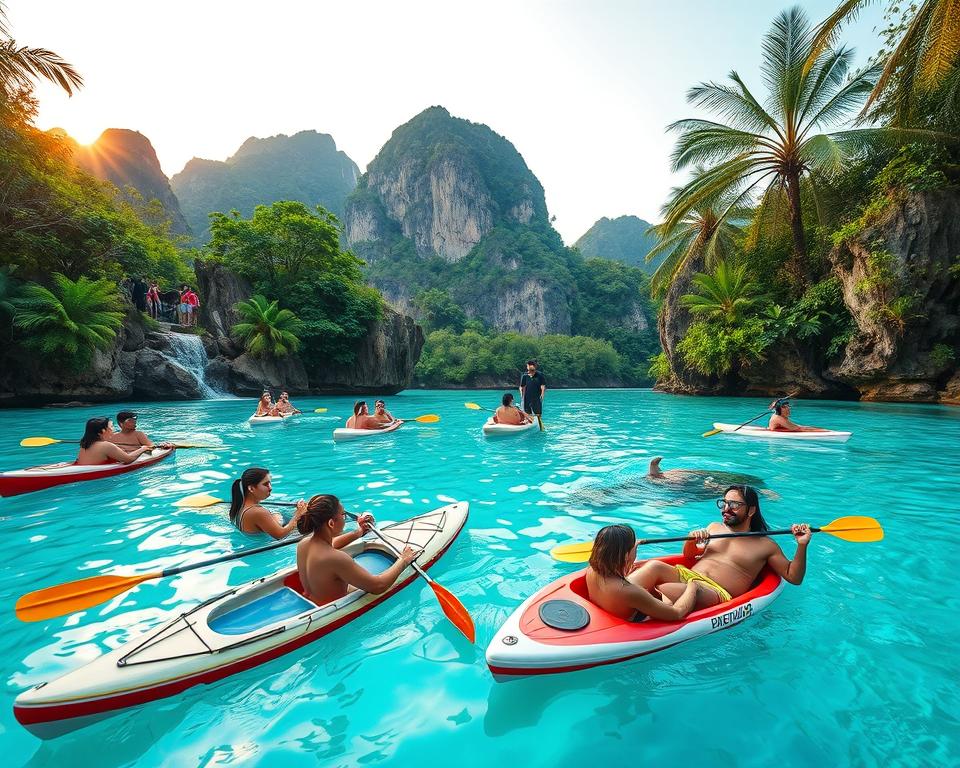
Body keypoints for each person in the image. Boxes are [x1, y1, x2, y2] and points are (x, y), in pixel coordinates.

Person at [630, 485, 811, 610]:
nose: (726, 508)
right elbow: (689, 556)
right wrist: (692, 541)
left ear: (751, 510)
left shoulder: (765, 545)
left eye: (734, 505)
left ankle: (644, 608)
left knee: (672, 589)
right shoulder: (714, 527)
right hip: (688, 575)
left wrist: (801, 546)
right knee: (654, 566)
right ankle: (618, 592)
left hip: (714, 591)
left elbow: (793, 577)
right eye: (724, 503)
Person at [295, 494, 419, 604]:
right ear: (331, 523)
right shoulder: (336, 558)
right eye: (343, 515)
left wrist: (359, 532)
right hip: (332, 608)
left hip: (311, 598)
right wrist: (403, 560)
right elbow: (378, 586)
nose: (345, 519)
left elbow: (331, 543)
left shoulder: (303, 544)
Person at [586, 524, 699, 622]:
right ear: (625, 556)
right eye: (634, 549)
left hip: (614, 604)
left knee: (655, 566)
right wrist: (692, 586)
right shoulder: (629, 591)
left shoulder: (592, 569)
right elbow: (677, 613)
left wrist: (627, 561)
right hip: (636, 616)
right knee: (670, 593)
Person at [228, 467, 306, 539]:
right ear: (251, 488)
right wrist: (298, 515)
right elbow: (280, 535)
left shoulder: (240, 506)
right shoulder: (258, 512)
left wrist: (274, 519)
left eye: (270, 483)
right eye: (266, 484)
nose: (270, 488)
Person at [76, 417, 154, 466]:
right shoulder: (106, 445)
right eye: (111, 427)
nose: (114, 429)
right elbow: (129, 459)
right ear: (103, 431)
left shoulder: (85, 444)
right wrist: (143, 448)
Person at [107, 410, 173, 450]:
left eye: (135, 420)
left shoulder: (138, 434)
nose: (134, 422)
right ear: (121, 424)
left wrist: (162, 445)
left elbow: (151, 447)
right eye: (130, 420)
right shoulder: (112, 436)